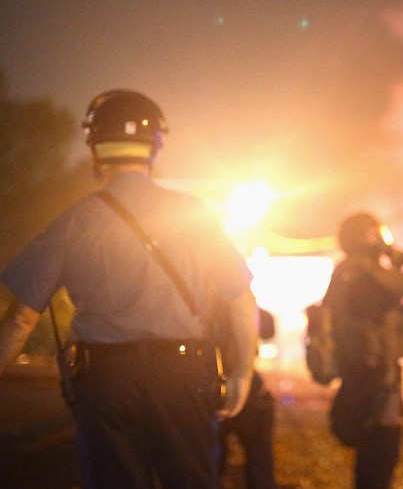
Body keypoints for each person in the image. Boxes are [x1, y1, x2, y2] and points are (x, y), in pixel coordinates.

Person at [0, 89, 258, 488]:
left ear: (95, 148)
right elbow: (240, 298)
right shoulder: (196, 215)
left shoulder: (75, 222)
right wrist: (241, 373)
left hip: (107, 379)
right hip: (183, 374)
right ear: (154, 146)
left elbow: (20, 317)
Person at [324, 212, 403, 489]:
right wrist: (395, 262)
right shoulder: (369, 274)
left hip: (356, 373)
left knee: (369, 459)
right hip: (377, 378)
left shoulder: (342, 273)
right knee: (380, 456)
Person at [218, 308, 292, 489]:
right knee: (259, 451)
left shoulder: (201, 301)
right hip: (244, 384)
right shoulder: (242, 305)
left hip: (211, 384)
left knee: (212, 453)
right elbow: (268, 330)